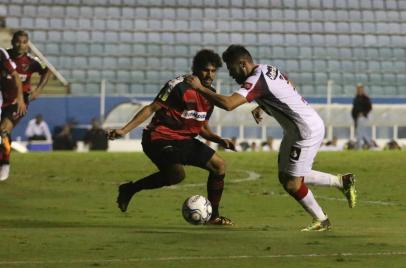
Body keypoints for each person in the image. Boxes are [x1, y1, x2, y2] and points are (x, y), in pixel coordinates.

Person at [185, 44, 357, 231]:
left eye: (231, 68)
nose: (231, 74)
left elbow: (228, 104)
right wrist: (265, 105)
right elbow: (287, 85)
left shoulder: (256, 78)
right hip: (296, 130)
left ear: (243, 64)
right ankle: (341, 182)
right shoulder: (267, 68)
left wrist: (200, 88)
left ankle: (322, 220)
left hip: (305, 131)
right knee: (286, 176)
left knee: (292, 183)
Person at [107, 49, 235, 225]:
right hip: (159, 137)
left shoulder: (209, 94)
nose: (209, 74)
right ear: (196, 69)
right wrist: (124, 130)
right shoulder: (177, 85)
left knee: (219, 166)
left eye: (213, 71)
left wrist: (218, 140)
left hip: (185, 141)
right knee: (177, 174)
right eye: (206, 70)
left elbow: (201, 127)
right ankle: (130, 189)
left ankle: (214, 216)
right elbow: (152, 108)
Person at [0, 30, 52, 180]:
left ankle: (5, 164)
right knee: (3, 135)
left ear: (27, 44)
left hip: (18, 103)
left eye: (24, 42)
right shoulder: (5, 57)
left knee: (3, 130)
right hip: (3, 99)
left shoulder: (31, 61)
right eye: (18, 41)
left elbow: (47, 70)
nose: (21, 45)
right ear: (12, 42)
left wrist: (38, 90)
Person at [0, 47, 26, 181]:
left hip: (10, 101)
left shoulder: (1, 54)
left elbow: (16, 76)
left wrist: (20, 98)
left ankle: (5, 163)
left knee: (3, 131)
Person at [351, 83, 373, 149]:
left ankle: (359, 146)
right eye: (358, 88)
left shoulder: (365, 98)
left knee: (359, 132)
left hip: (362, 117)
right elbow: (354, 109)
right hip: (356, 118)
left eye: (360, 88)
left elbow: (369, 107)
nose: (359, 90)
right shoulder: (356, 98)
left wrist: (363, 113)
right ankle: (370, 144)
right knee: (362, 132)